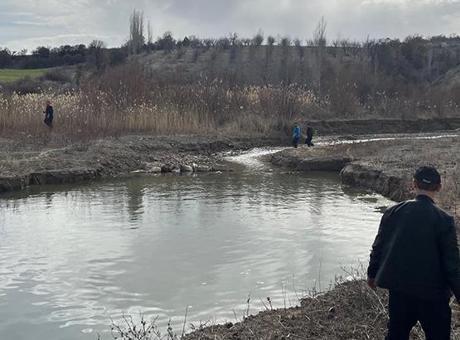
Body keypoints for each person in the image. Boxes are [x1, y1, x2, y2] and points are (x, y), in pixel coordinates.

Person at [367, 166, 460, 340]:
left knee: (396, 335)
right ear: (439, 187)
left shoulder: (393, 212)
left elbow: (378, 246)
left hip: (400, 291)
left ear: (414, 184)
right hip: (434, 295)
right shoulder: (444, 220)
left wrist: (372, 275)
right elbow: (452, 263)